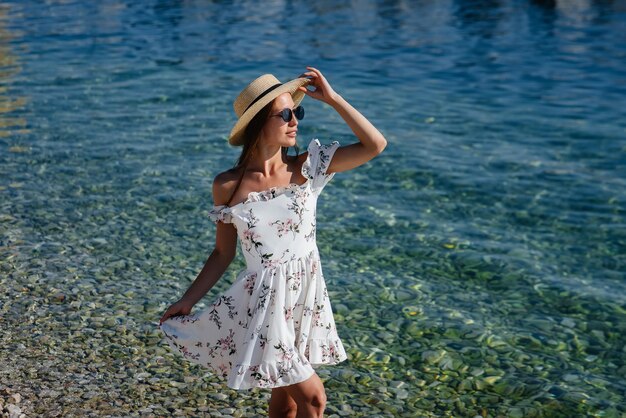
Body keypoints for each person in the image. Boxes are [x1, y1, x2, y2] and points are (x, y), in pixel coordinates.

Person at [158, 66, 387, 418]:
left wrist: (334, 99)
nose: (295, 120)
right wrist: (187, 301)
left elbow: (375, 145)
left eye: (298, 112)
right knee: (313, 398)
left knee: (287, 402)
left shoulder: (309, 167)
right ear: (257, 124)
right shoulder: (229, 186)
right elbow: (223, 253)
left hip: (303, 298)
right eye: (285, 114)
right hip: (263, 305)